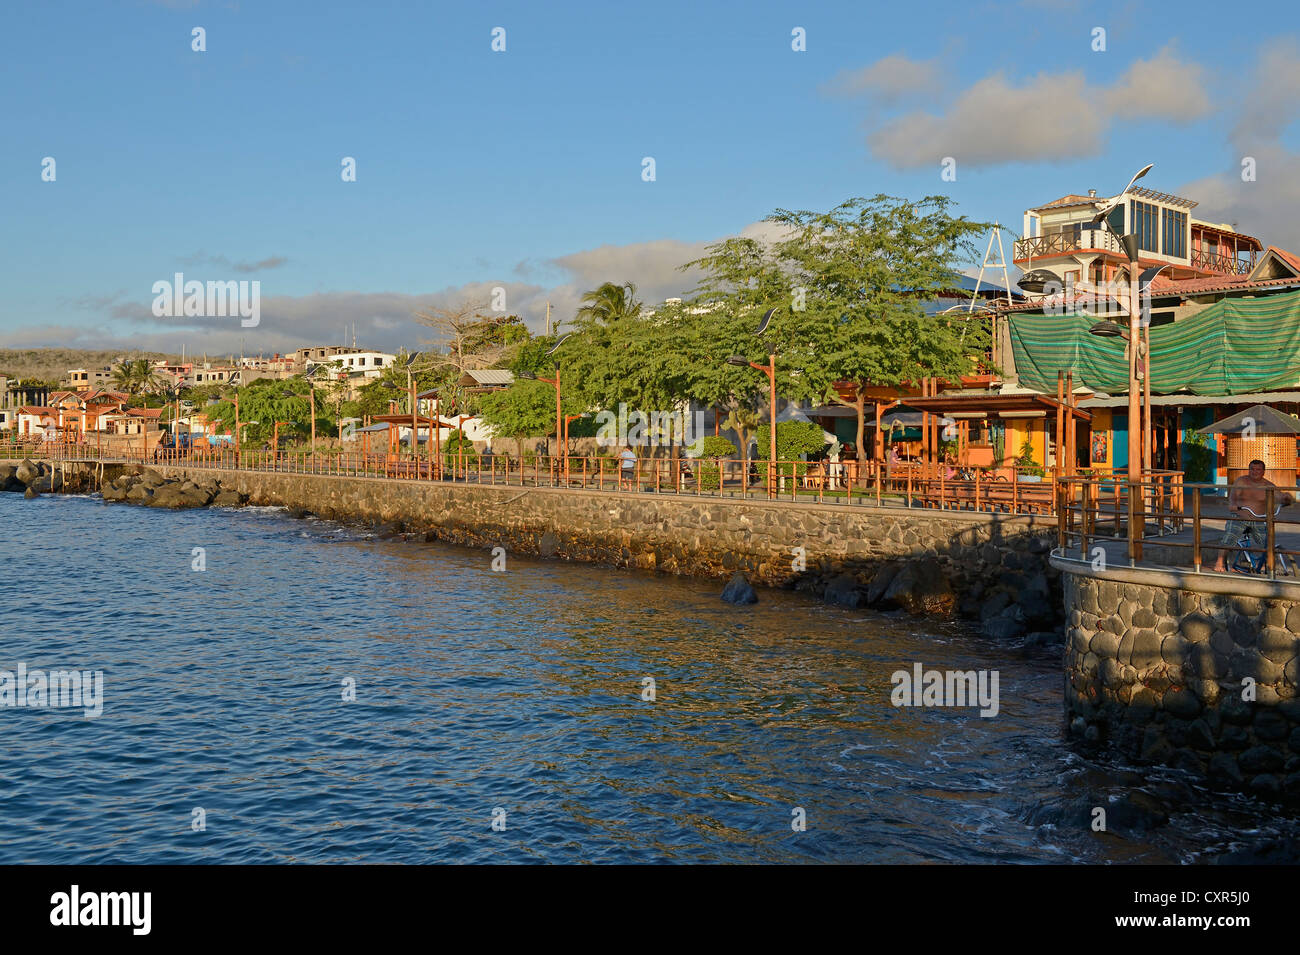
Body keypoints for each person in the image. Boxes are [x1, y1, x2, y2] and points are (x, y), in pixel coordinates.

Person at [1213, 459, 1295, 572]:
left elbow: (1281, 497)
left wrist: (1287, 498)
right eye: (1252, 469)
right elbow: (1232, 497)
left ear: (1263, 472)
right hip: (1239, 516)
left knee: (1267, 542)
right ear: (1249, 470)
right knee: (1228, 537)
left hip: (1259, 519)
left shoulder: (1268, 485)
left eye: (1258, 469)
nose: (1254, 472)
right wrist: (1232, 506)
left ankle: (1264, 564)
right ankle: (1219, 562)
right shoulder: (1241, 481)